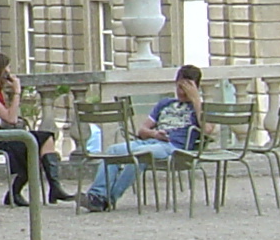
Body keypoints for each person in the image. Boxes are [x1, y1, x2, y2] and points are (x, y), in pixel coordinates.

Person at [81, 65, 210, 212]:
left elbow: (207, 130)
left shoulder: (201, 108)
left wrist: (196, 100)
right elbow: (142, 130)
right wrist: (154, 134)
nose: (181, 92)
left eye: (186, 88)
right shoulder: (165, 103)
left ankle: (109, 199)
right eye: (179, 86)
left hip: (174, 147)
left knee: (141, 153)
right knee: (113, 150)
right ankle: (97, 195)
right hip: (153, 141)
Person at [0, 51, 62, 206]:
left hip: (1, 133)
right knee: (29, 146)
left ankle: (55, 187)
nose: (9, 72)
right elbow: (10, 118)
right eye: (7, 69)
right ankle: (15, 193)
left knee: (47, 137)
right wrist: (17, 92)